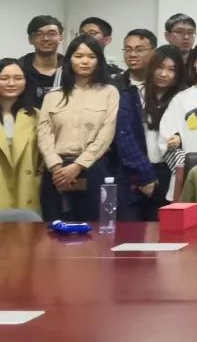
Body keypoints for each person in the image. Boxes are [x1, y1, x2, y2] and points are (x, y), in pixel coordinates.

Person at [37, 35, 119, 221]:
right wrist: (56, 166)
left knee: (93, 229)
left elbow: (106, 134)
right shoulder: (53, 96)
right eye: (79, 56)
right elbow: (44, 134)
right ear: (69, 60)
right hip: (56, 172)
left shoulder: (109, 92)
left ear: (99, 60)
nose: (85, 61)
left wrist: (78, 166)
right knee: (54, 229)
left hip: (92, 169)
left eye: (91, 56)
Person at [112, 45, 186, 220]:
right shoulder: (133, 95)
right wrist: (145, 174)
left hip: (170, 171)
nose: (164, 74)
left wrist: (180, 139)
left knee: (167, 227)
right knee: (133, 228)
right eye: (159, 67)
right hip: (137, 171)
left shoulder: (184, 99)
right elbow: (125, 136)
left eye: (171, 69)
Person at [0, 58, 40, 213]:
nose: (11, 83)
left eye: (18, 78)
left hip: (26, 190)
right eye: (4, 78)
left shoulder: (35, 115)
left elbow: (43, 160)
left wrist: (37, 182)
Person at [20, 15, 64, 108]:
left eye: (51, 33)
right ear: (30, 39)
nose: (45, 38)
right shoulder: (19, 68)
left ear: (61, 38)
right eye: (39, 34)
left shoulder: (70, 68)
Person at [111, 28, 157, 94]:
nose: (132, 54)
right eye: (128, 50)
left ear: (154, 52)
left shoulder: (163, 81)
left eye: (140, 50)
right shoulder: (112, 83)